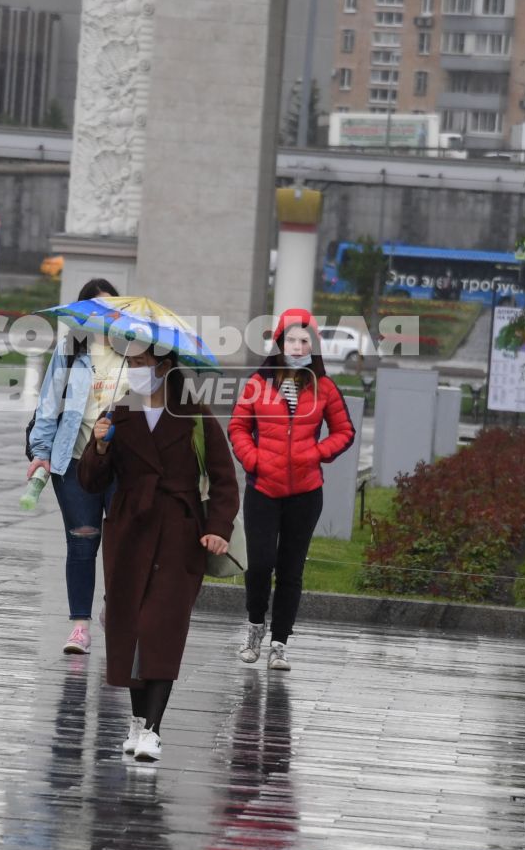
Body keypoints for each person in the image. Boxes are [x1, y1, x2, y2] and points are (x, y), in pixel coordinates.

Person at [76, 348, 238, 763]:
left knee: (160, 628)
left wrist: (218, 529)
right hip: (129, 531)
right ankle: (136, 721)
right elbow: (92, 482)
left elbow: (223, 478)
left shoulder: (195, 414)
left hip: (179, 533)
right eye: (130, 364)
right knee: (128, 626)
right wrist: (98, 445)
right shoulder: (118, 412)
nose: (134, 371)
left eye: (142, 363)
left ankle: (153, 728)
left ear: (165, 367)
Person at [228, 309, 356, 672]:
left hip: (305, 491)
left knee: (290, 569)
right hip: (263, 488)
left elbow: (344, 431)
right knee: (260, 564)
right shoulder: (257, 383)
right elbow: (238, 427)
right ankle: (255, 627)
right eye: (291, 340)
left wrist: (315, 453)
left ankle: (279, 643)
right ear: (279, 343)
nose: (297, 347)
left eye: (305, 341)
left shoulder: (324, 387)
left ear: (313, 347)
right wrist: (253, 460)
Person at [26, 277, 127, 655]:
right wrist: (40, 451)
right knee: (82, 541)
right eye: (96, 309)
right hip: (74, 463)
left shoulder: (134, 353)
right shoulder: (69, 353)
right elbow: (49, 406)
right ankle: (79, 626)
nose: (104, 316)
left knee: (121, 543)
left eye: (111, 309)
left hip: (122, 465)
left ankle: (112, 609)